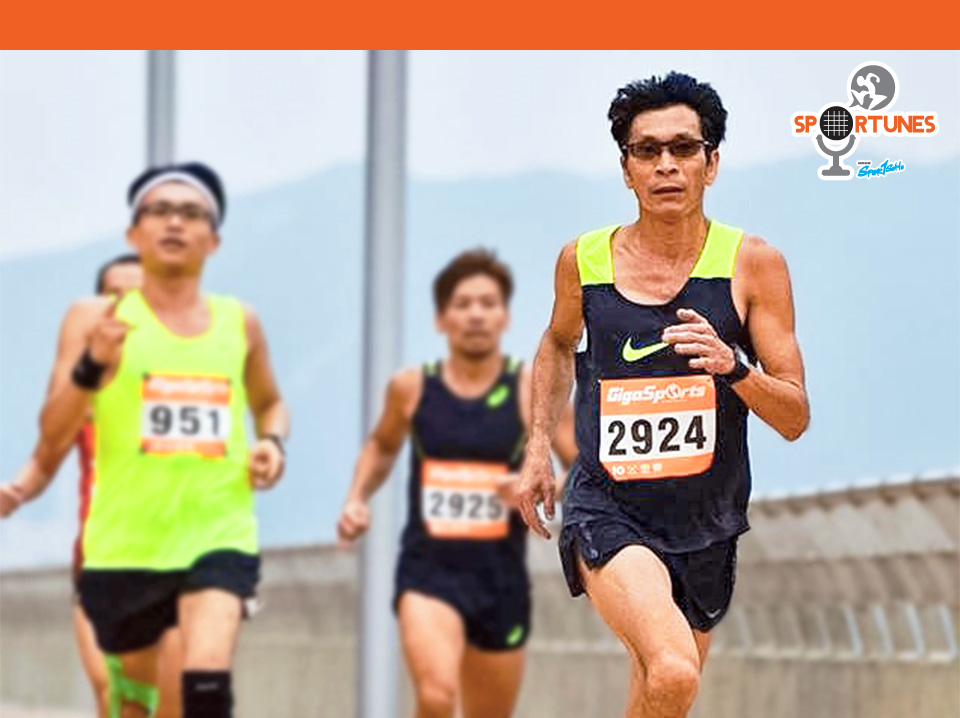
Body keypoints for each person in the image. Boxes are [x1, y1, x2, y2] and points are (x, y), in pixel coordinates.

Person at [517, 72, 810, 718]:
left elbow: (794, 415)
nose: (666, 165)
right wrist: (538, 445)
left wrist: (734, 368)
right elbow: (558, 344)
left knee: (659, 691)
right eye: (647, 151)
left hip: (708, 522)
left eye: (683, 148)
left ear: (712, 163)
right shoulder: (584, 261)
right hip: (608, 507)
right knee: (675, 671)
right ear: (626, 170)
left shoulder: (752, 265)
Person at [30, 162, 289, 718]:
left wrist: (272, 442)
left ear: (214, 241)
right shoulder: (93, 319)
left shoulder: (239, 322)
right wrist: (91, 366)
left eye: (192, 213)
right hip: (126, 544)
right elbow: (53, 432)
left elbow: (270, 402)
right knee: (133, 702)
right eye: (160, 211)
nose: (174, 222)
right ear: (134, 233)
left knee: (206, 685)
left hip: (219, 531)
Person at [337, 249, 577, 718]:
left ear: (504, 317)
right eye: (463, 304)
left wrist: (540, 481)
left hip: (500, 580)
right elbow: (381, 446)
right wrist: (356, 498)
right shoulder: (412, 389)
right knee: (436, 695)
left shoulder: (527, 390)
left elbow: (581, 463)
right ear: (441, 319)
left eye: (488, 304)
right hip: (428, 573)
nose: (476, 315)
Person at [0, 253, 186, 718]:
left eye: (136, 292)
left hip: (178, 560)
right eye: (112, 294)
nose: (123, 302)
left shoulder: (179, 378)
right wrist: (16, 491)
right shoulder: (83, 389)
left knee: (168, 704)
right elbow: (47, 452)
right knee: (112, 691)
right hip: (100, 556)